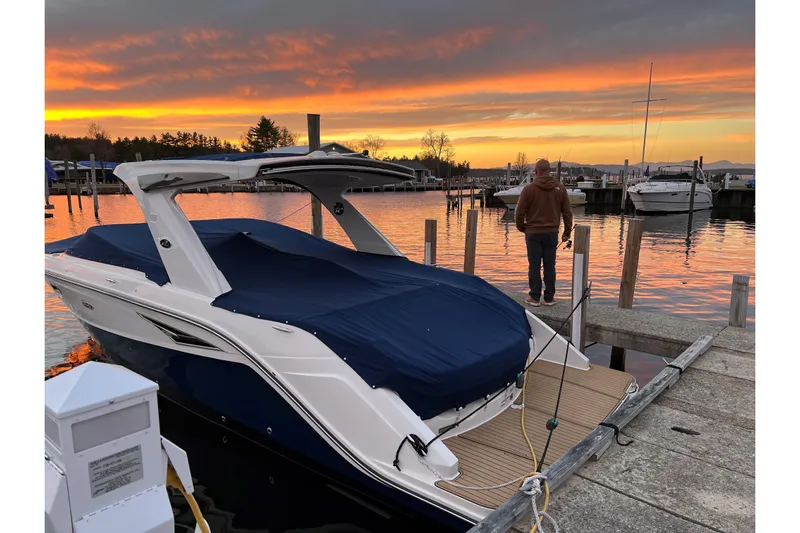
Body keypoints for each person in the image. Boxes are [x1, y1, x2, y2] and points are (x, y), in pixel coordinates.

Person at [515, 159, 573, 306]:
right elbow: (567, 213)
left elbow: (519, 212)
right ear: (549, 171)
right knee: (549, 265)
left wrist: (522, 227)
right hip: (551, 233)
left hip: (533, 232)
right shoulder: (560, 189)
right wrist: (567, 232)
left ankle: (535, 297)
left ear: (536, 171)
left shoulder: (528, 189)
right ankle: (549, 297)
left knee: (534, 264)